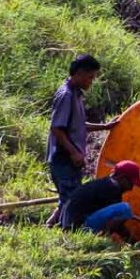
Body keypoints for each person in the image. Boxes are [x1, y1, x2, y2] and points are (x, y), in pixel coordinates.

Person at [45, 54, 117, 226]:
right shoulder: (66, 96)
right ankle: (67, 235)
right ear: (79, 73)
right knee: (72, 201)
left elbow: (77, 125)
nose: (91, 82)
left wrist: (105, 127)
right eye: (90, 77)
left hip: (70, 159)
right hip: (63, 158)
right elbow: (56, 128)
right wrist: (74, 153)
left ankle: (50, 226)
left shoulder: (76, 94)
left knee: (68, 199)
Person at [60, 160, 140, 237]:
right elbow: (117, 225)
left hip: (71, 225)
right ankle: (101, 236)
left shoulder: (104, 184)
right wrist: (132, 240)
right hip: (79, 228)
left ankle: (101, 235)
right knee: (125, 209)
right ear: (122, 177)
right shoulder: (112, 188)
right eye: (131, 183)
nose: (131, 188)